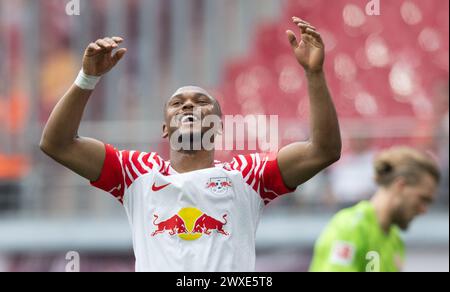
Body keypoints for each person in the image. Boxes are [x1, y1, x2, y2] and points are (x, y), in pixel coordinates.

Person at [40, 17, 341, 272]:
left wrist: (314, 74)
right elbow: (57, 144)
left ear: (218, 127)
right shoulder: (137, 173)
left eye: (200, 102)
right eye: (176, 103)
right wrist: (87, 79)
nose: (187, 106)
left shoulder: (248, 175)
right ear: (164, 128)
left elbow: (322, 151)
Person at [310, 146, 440, 272]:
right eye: (423, 199)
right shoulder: (350, 228)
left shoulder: (395, 240)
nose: (424, 210)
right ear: (400, 186)